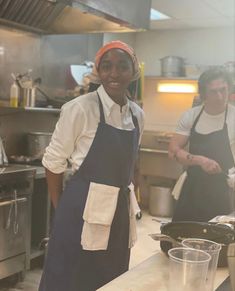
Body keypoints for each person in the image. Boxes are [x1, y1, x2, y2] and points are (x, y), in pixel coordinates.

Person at [39, 40, 145, 291]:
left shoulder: (137, 114)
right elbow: (53, 163)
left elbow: (131, 160)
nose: (114, 73)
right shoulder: (79, 109)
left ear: (134, 71)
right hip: (80, 210)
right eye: (106, 66)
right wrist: (62, 209)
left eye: (122, 66)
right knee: (69, 278)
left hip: (118, 213)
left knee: (111, 278)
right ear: (98, 72)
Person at [168, 68, 235, 222]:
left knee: (217, 241)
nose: (219, 96)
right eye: (213, 92)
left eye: (223, 90)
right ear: (203, 93)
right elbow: (173, 151)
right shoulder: (191, 116)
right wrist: (200, 160)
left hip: (222, 190)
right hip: (192, 189)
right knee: (181, 238)